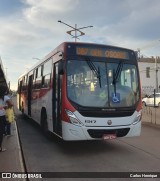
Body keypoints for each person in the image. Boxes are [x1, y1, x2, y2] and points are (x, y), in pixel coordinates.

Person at [0, 85, 13, 152]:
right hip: (1, 117)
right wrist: (5, 107)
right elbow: (11, 104)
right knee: (1, 132)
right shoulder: (4, 97)